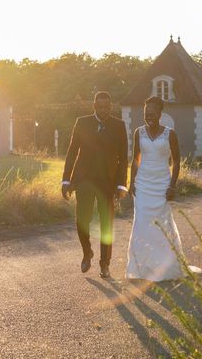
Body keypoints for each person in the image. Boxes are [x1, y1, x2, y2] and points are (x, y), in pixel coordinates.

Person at [126, 96, 195, 281]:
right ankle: (142, 267)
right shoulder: (138, 133)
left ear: (160, 114)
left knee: (162, 225)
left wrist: (172, 185)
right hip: (142, 184)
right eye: (146, 113)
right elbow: (135, 159)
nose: (149, 116)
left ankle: (164, 265)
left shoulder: (170, 134)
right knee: (141, 224)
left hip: (161, 185)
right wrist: (131, 182)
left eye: (152, 113)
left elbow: (177, 161)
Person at [62, 91, 128, 279]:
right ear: (94, 106)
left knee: (107, 223)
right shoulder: (82, 123)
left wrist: (122, 184)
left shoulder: (119, 125)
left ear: (111, 106)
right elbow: (72, 152)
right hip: (84, 180)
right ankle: (87, 252)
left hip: (108, 182)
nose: (104, 110)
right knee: (82, 219)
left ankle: (105, 264)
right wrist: (66, 180)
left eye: (107, 107)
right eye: (100, 107)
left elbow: (123, 158)